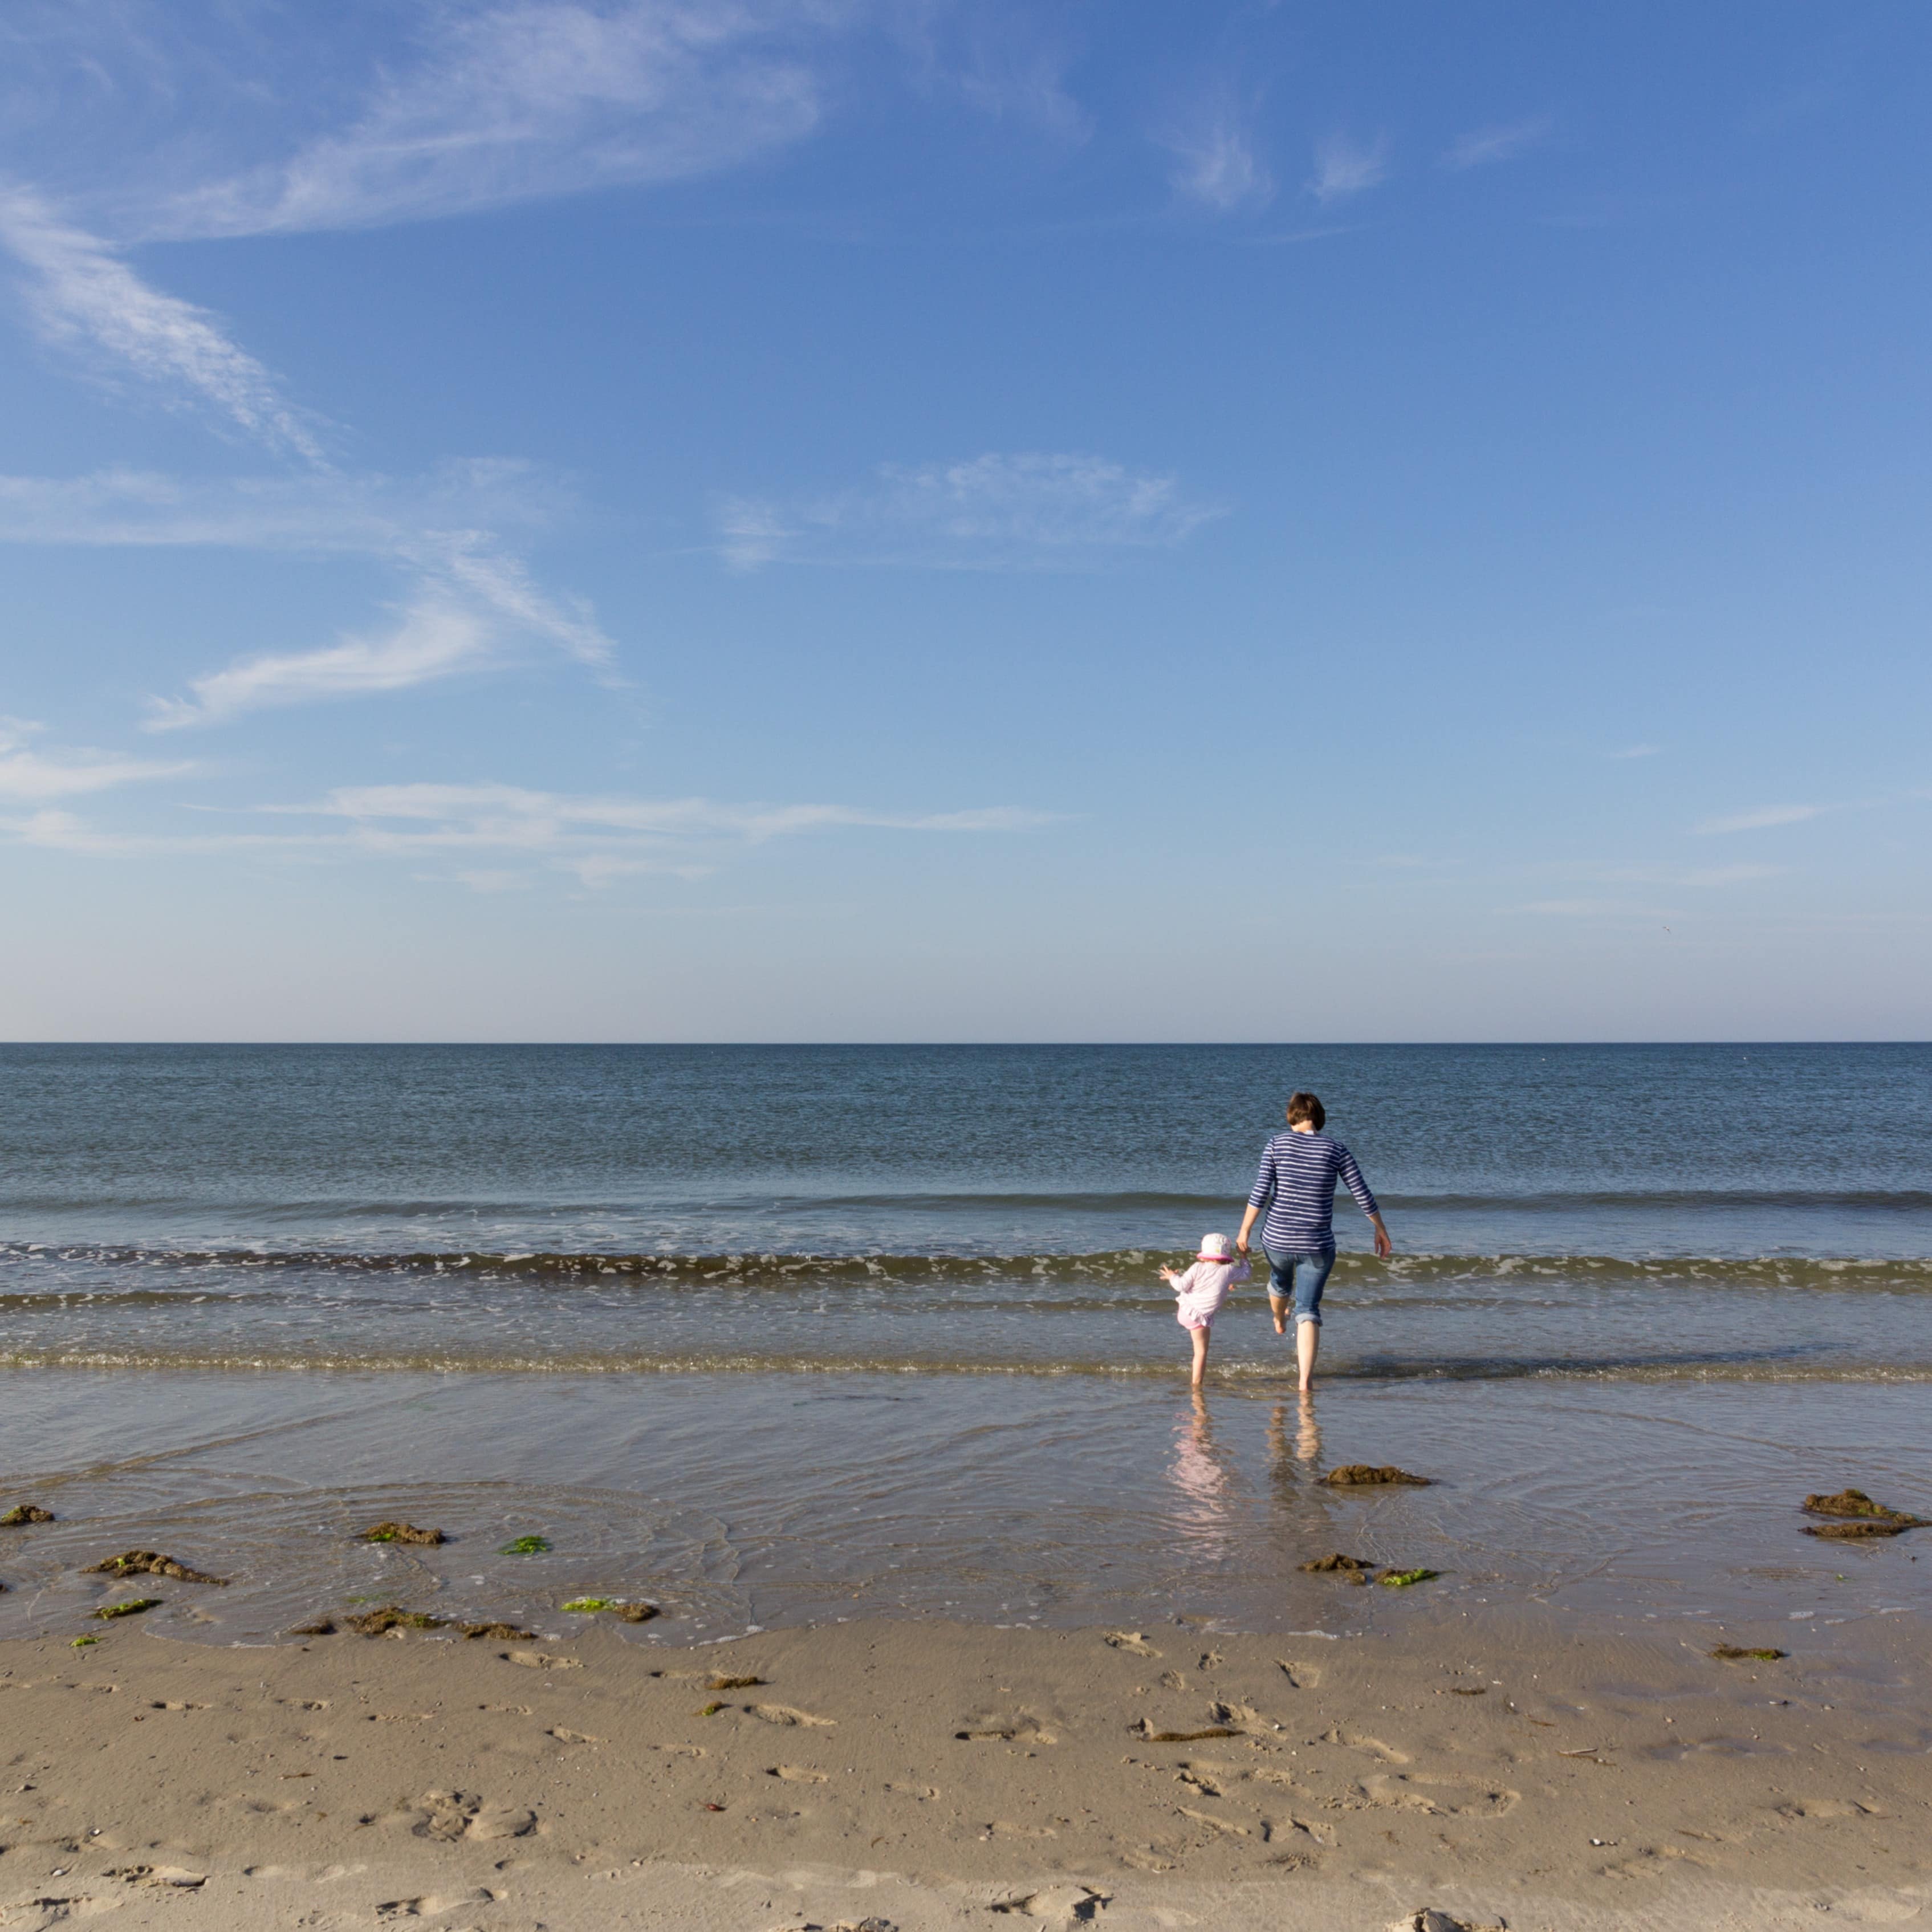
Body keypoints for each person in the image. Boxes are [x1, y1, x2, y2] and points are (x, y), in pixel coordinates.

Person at [1235, 1091, 1391, 1392]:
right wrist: (1381, 1230)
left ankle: (1278, 1317)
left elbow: (1260, 1192)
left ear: (1291, 1116)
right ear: (1318, 1118)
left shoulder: (1276, 1144)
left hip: (1277, 1240)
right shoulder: (1336, 1149)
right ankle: (1305, 1382)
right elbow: (1362, 1194)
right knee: (1308, 1310)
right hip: (1317, 1245)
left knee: (1280, 1282)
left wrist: (1244, 1231)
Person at [1158, 1232, 1250, 1389]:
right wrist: (1243, 1257)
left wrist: (1172, 1277)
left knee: (1199, 1350)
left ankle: (1197, 1382)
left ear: (1204, 1254)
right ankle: (1196, 1384)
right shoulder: (1229, 1271)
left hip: (1185, 1310)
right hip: (1199, 1316)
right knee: (1201, 1352)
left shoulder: (1197, 1267)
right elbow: (1246, 1274)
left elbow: (1181, 1286)